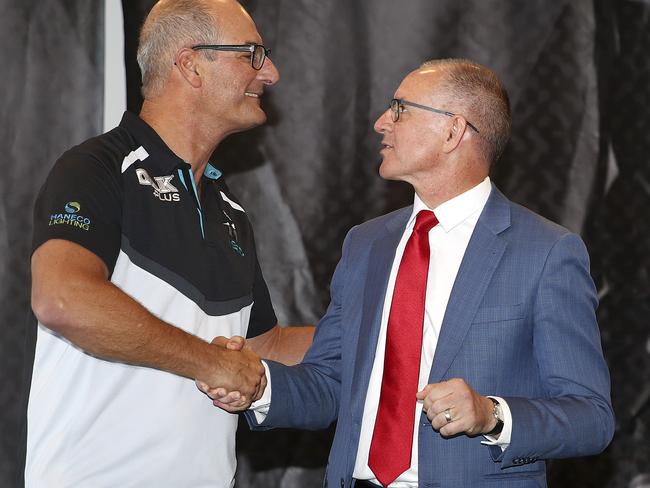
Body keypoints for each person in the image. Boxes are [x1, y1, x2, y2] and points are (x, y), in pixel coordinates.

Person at [212, 59, 615, 487]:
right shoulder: (365, 244)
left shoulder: (547, 252)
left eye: (400, 108)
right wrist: (258, 384)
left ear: (453, 131)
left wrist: (491, 414)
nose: (381, 122)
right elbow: (330, 384)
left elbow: (591, 417)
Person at [23, 0, 313, 486]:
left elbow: (267, 346)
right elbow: (61, 299)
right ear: (190, 64)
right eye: (252, 54)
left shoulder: (231, 212)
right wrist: (213, 363)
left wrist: (388, 332)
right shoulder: (95, 168)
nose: (272, 73)